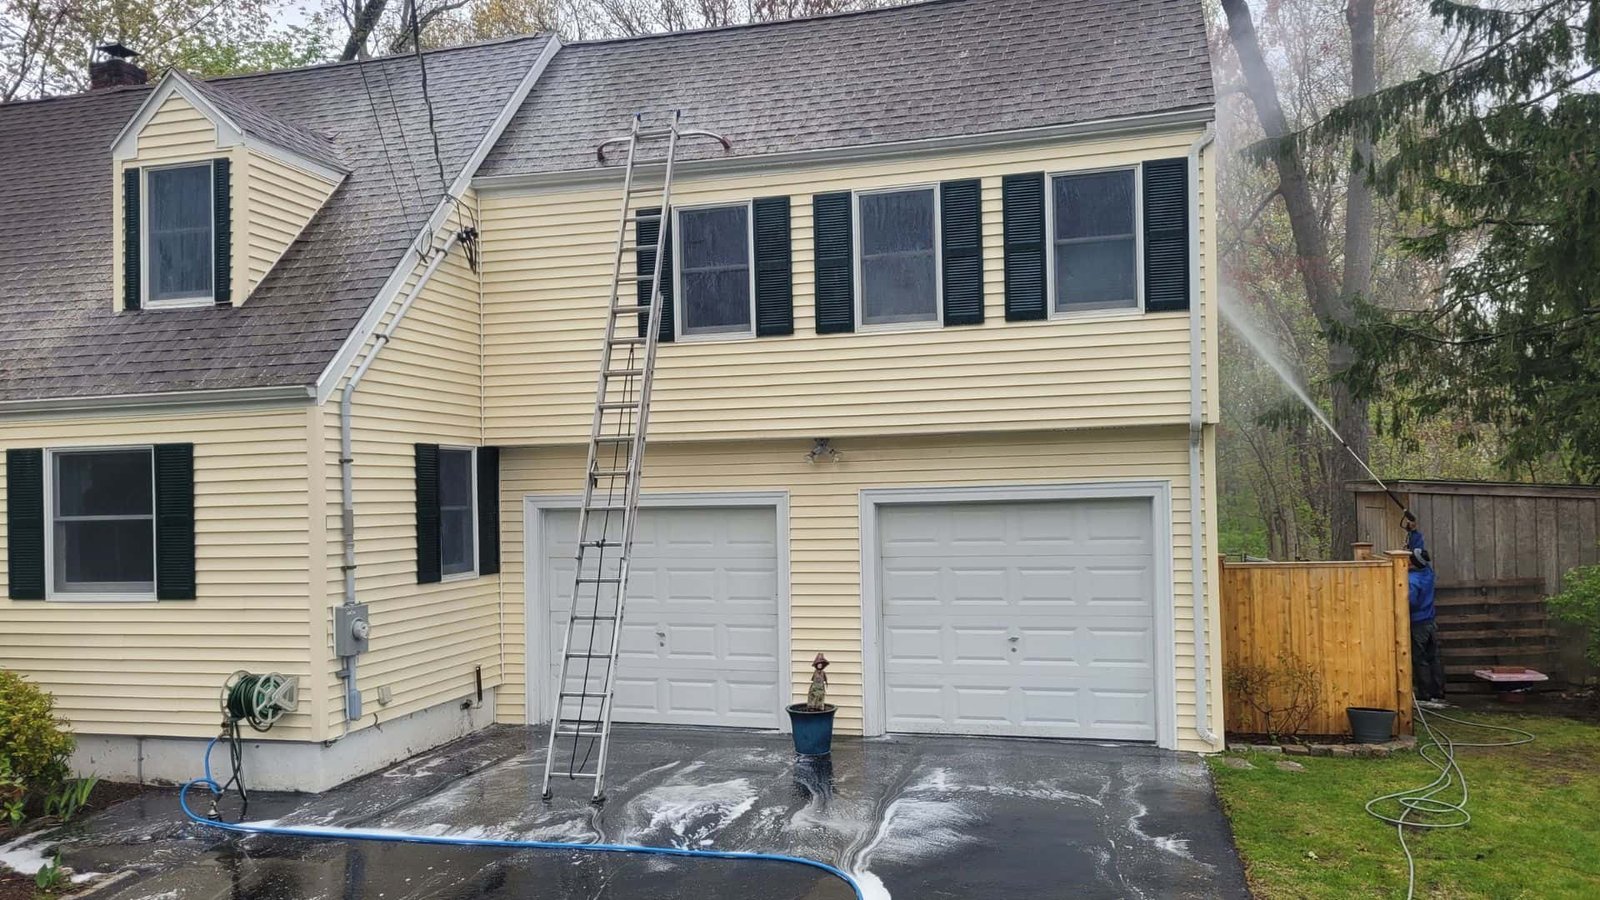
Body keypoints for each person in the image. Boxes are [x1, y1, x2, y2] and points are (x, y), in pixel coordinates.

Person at [1403, 510, 1447, 709]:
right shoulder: (1427, 571)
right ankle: (1438, 692)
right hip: (1430, 623)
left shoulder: (1413, 581)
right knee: (1433, 657)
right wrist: (1414, 532)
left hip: (1418, 625)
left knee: (1419, 659)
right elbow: (1419, 551)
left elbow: (1409, 603)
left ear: (1412, 564)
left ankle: (1425, 695)